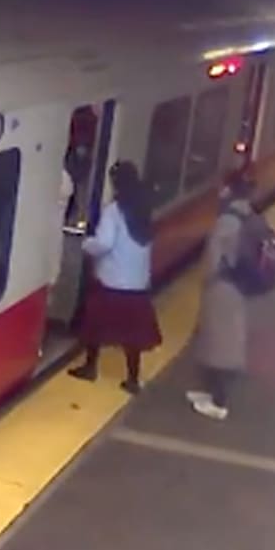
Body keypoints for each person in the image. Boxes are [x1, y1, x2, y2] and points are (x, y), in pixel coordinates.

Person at [68, 161, 162, 395]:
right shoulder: (143, 210)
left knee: (95, 327)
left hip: (112, 281)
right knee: (133, 337)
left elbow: (104, 244)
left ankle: (90, 368)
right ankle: (132, 378)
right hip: (137, 284)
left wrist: (85, 243)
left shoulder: (114, 211)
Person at [186, 170, 253, 420]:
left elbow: (212, 259)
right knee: (218, 342)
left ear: (229, 190)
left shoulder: (227, 221)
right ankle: (210, 393)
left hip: (222, 289)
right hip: (234, 287)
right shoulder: (246, 215)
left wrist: (206, 280)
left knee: (220, 346)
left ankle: (218, 401)